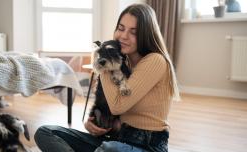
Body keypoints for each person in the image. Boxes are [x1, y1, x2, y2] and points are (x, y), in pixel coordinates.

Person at [34, 3, 180, 152]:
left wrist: (102, 61)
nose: (123, 36)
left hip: (147, 146)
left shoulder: (155, 60)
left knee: (109, 149)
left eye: (133, 32)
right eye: (121, 28)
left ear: (145, 35)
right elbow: (111, 110)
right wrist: (94, 125)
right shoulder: (123, 63)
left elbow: (118, 106)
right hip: (118, 138)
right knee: (46, 132)